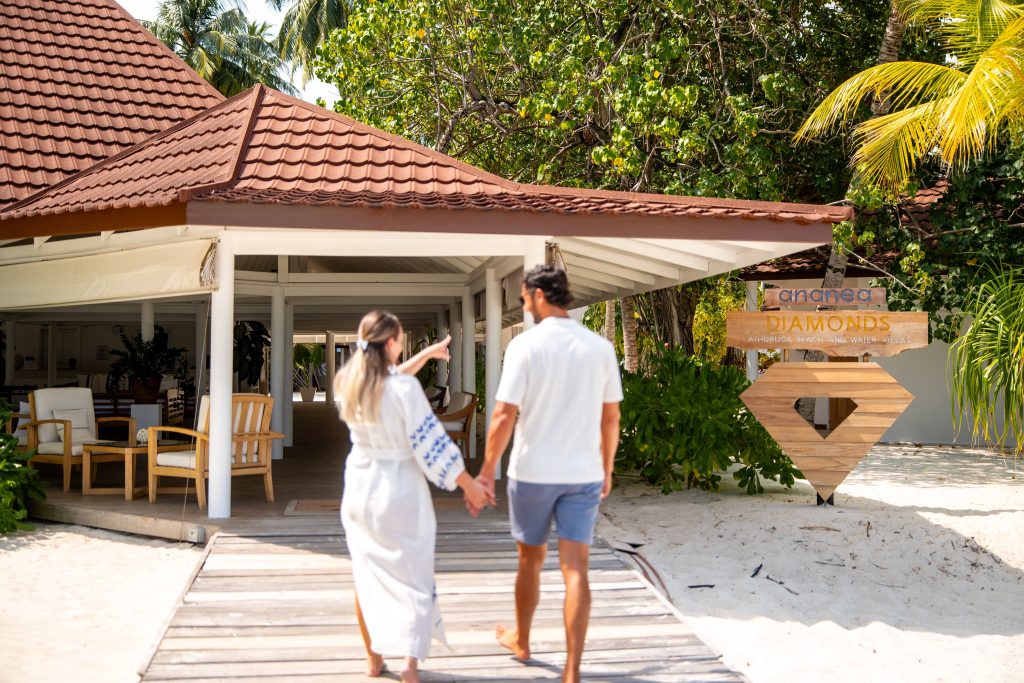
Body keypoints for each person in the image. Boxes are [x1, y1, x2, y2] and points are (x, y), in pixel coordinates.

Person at [473, 265, 623, 683]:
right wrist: (606, 468)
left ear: (539, 295)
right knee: (576, 569)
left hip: (534, 473)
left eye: (523, 299)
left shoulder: (525, 346)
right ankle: (572, 671)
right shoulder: (599, 347)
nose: (524, 305)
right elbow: (610, 419)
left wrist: (487, 471)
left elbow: (503, 414)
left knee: (530, 564)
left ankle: (523, 642)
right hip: (583, 473)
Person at [335, 310, 492, 683]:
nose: (403, 344)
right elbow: (431, 443)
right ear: (390, 344)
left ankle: (373, 659)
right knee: (414, 576)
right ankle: (409, 665)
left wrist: (424, 357)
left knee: (367, 575)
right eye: (402, 339)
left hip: (359, 490)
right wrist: (470, 484)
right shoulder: (403, 390)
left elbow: (386, 382)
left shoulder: (348, 382)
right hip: (398, 488)